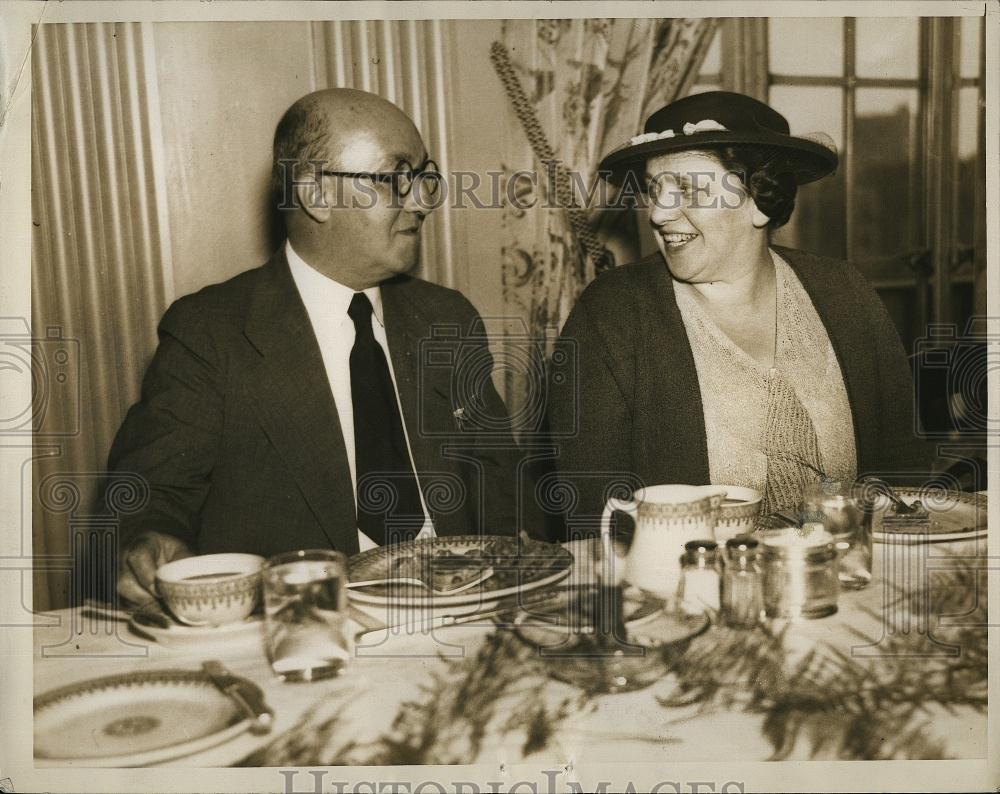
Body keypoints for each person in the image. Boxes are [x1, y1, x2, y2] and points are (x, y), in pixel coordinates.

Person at [111, 88, 523, 604]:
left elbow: (502, 487)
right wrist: (149, 541)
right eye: (395, 178)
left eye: (423, 178)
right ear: (315, 195)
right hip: (305, 628)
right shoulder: (212, 332)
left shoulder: (446, 318)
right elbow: (149, 496)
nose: (422, 201)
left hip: (461, 614)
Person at [546, 90, 933, 532]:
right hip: (689, 595)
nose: (659, 213)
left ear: (758, 201)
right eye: (655, 190)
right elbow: (594, 516)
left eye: (687, 189)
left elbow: (905, 469)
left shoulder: (846, 293)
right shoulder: (610, 314)